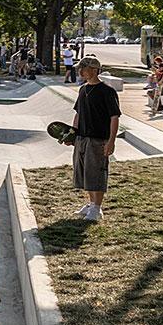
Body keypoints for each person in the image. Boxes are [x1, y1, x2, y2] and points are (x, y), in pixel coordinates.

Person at [66, 56, 121, 223]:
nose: (80, 71)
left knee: (96, 172)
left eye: (83, 68)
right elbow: (78, 114)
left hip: (99, 139)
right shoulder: (83, 90)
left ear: (94, 70)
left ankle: (97, 208)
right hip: (82, 138)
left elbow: (114, 117)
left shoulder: (107, 91)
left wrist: (111, 141)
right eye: (79, 69)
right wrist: (72, 134)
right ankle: (91, 204)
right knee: (84, 172)